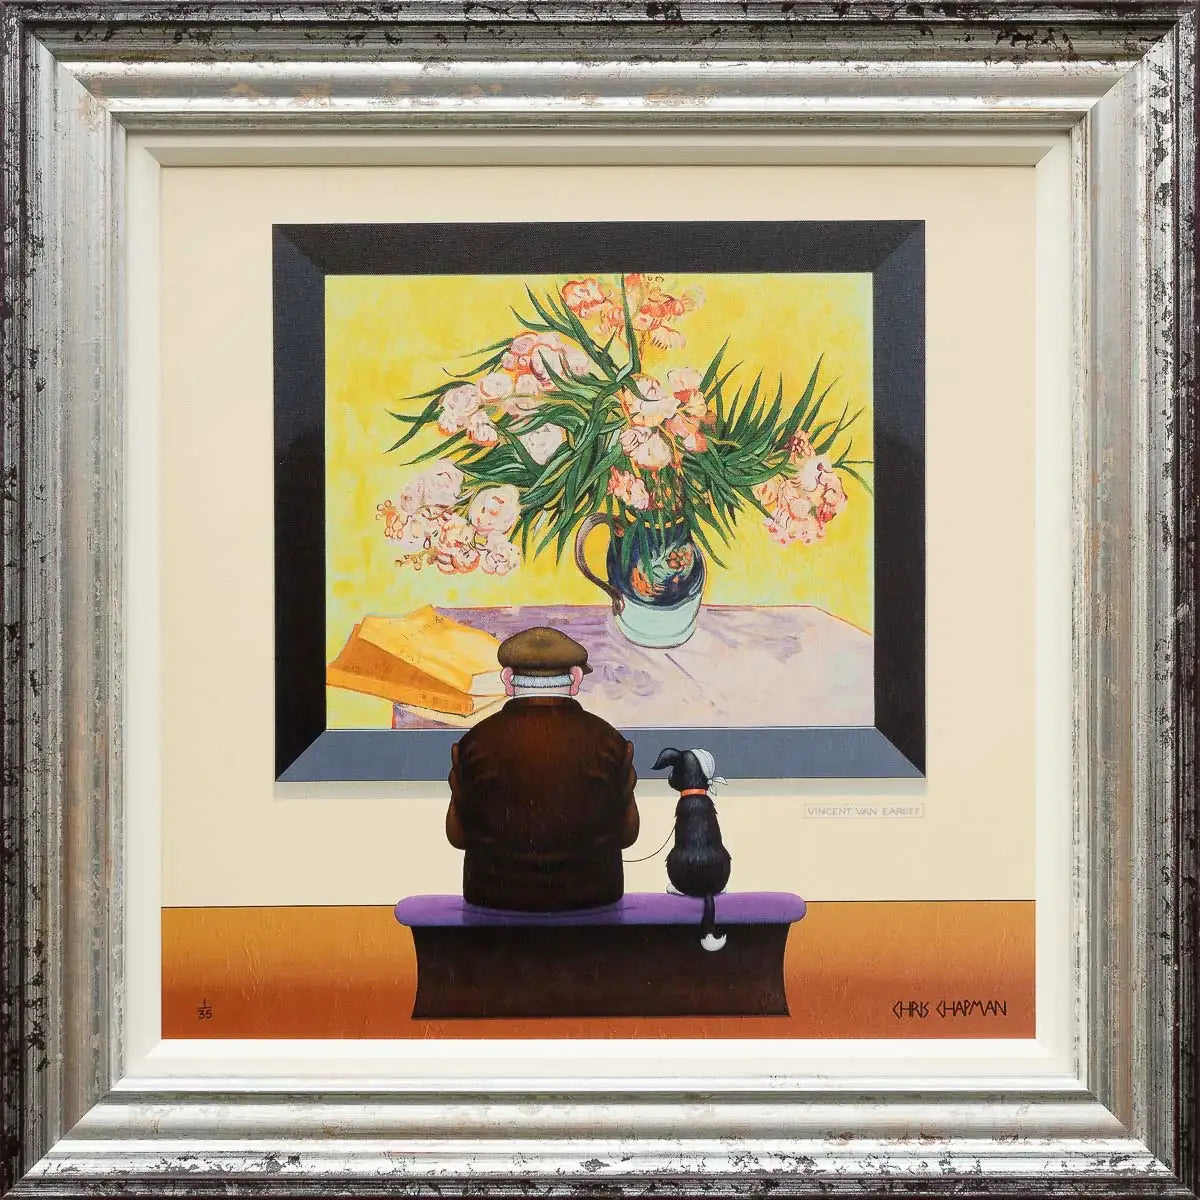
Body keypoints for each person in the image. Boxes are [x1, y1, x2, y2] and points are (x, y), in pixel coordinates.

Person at [445, 627, 640, 911]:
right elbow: (628, 835)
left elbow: (457, 836)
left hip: (493, 898)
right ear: (576, 678)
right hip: (593, 898)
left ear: (507, 679)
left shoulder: (473, 743)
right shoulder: (610, 741)